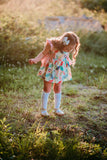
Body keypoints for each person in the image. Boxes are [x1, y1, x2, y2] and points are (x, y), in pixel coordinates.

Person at [29, 31, 80, 117]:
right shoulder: (52, 45)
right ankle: (44, 109)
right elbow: (43, 53)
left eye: (70, 50)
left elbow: (65, 56)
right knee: (47, 88)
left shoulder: (67, 49)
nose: (68, 51)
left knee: (58, 87)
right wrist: (35, 60)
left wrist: (68, 61)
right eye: (67, 49)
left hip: (60, 70)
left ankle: (57, 108)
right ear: (63, 43)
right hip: (50, 70)